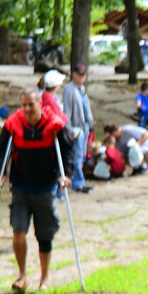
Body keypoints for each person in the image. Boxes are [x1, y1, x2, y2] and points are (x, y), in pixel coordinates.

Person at [0, 86, 68, 293]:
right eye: (23, 104)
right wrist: (1, 171)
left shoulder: (54, 124)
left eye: (31, 104)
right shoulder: (13, 124)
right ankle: (22, 275)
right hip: (20, 187)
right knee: (18, 231)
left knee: (44, 235)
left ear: (40, 104)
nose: (27, 108)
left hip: (45, 188)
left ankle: (45, 278)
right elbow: (1, 149)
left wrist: (66, 174)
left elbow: (67, 149)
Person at [60, 63, 93, 195]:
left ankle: (80, 181)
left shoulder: (82, 89)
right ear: (73, 75)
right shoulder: (70, 89)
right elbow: (67, 111)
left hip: (84, 127)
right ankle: (78, 183)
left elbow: (86, 109)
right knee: (77, 156)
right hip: (75, 127)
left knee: (82, 155)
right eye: (78, 75)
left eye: (83, 75)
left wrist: (90, 125)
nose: (81, 77)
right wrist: (69, 129)